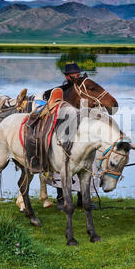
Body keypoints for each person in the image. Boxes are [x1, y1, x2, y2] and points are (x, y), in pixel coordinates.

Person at [47, 63, 98, 210]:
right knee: (61, 163)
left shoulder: (84, 91)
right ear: (66, 76)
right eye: (73, 75)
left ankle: (83, 198)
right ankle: (61, 198)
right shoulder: (59, 92)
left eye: (78, 74)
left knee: (87, 163)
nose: (76, 77)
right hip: (63, 130)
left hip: (81, 132)